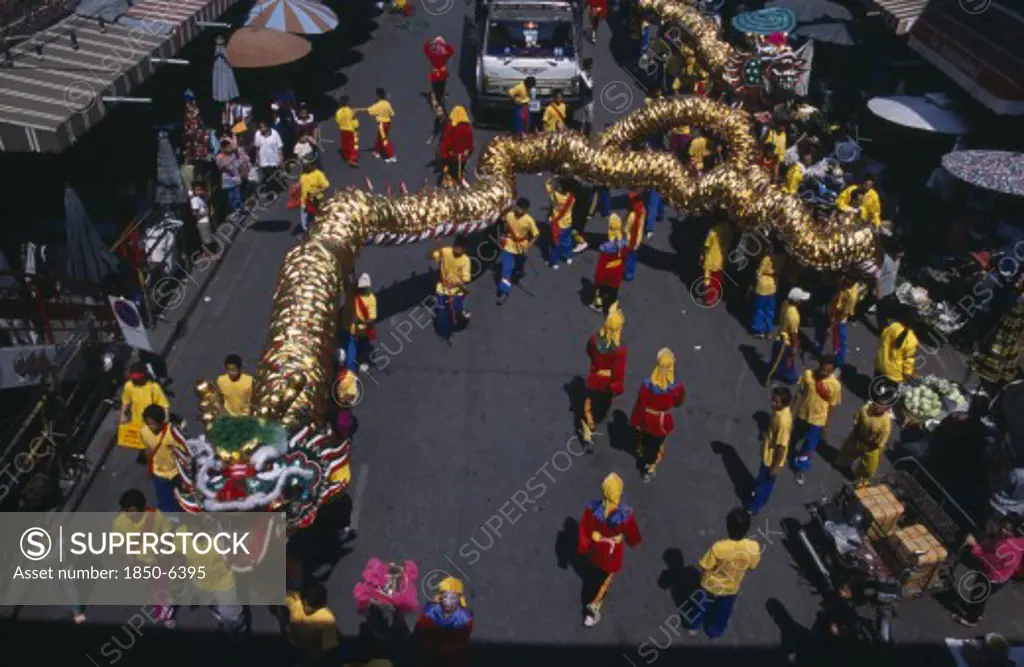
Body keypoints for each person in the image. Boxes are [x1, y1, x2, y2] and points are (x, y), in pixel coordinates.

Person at [577, 473, 642, 627]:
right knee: (603, 583)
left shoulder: (592, 509)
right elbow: (633, 536)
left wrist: (585, 546)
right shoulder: (625, 516)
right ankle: (592, 611)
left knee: (592, 577)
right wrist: (633, 541)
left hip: (594, 551)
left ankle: (591, 602)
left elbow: (584, 530)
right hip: (611, 556)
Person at [685, 508, 761, 638]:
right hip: (730, 588)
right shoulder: (753, 547)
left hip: (710, 586)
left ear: (728, 526)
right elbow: (752, 566)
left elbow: (705, 565)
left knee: (701, 606)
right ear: (747, 528)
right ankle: (715, 631)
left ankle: (693, 627)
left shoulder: (719, 547)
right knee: (723, 612)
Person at [113, 489, 176, 626]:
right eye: (126, 510)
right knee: (155, 586)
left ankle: (166, 614)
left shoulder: (155, 515)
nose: (129, 514)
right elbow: (119, 543)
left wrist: (164, 548)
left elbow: (167, 532)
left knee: (162, 585)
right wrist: (130, 561)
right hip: (140, 562)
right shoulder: (119, 523)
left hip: (159, 558)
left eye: (132, 510)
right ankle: (163, 607)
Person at [178, 516, 248, 635]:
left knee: (233, 616)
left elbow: (236, 556)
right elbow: (179, 556)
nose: (194, 534)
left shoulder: (219, 540)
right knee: (206, 601)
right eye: (190, 531)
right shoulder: (180, 536)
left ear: (203, 526)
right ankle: (220, 612)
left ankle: (238, 631)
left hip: (224, 583)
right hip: (199, 582)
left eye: (196, 530)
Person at [952, 518, 1024, 627]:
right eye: (1001, 526)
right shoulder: (1016, 542)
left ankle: (972, 620)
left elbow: (986, 559)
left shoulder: (1004, 548)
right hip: (1000, 575)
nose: (1002, 530)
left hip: (993, 576)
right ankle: (975, 612)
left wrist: (974, 544)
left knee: (977, 596)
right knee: (981, 595)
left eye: (1006, 529)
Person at [630, 348, 686, 481]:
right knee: (658, 445)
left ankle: (642, 453)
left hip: (646, 418)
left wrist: (636, 420)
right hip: (661, 421)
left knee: (644, 440)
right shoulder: (676, 388)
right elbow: (678, 402)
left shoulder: (646, 385)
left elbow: (640, 403)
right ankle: (650, 467)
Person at [581, 306, 627, 448]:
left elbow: (588, 351)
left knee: (588, 404)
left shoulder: (594, 340)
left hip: (595, 377)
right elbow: (618, 372)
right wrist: (617, 388)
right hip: (608, 383)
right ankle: (596, 420)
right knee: (603, 405)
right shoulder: (619, 350)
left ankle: (588, 428)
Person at [792, 355, 842, 484]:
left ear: (832, 371)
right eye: (823, 369)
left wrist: (826, 426)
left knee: (809, 446)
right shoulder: (808, 375)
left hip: (818, 421)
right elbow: (800, 393)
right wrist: (792, 412)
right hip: (803, 414)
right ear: (819, 365)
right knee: (794, 436)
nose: (824, 372)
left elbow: (832, 407)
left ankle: (800, 469)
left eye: (828, 371)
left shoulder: (835, 386)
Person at [746, 387, 792, 514]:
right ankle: (760, 497)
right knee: (763, 480)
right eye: (773, 399)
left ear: (784, 403)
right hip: (768, 454)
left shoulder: (783, 422)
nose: (772, 403)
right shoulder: (778, 411)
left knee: (764, 484)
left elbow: (781, 448)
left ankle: (754, 507)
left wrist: (775, 467)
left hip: (771, 460)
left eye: (776, 401)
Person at [415, 577, 473, 667]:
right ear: (440, 597)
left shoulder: (465, 618)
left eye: (453, 597)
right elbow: (421, 632)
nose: (448, 602)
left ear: (459, 598)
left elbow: (461, 641)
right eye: (445, 596)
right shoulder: (430, 611)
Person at [140, 405, 185, 513]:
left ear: (161, 421)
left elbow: (183, 452)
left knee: (182, 498)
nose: (150, 427)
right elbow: (148, 449)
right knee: (165, 501)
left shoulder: (172, 433)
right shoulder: (144, 432)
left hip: (176, 472)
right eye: (148, 424)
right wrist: (149, 468)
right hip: (159, 473)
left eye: (152, 424)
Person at [834, 401, 892, 482]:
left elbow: (880, 442)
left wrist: (868, 445)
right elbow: (857, 420)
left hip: (871, 446)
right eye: (878, 403)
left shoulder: (886, 423)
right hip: (858, 437)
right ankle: (843, 463)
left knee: (869, 468)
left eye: (882, 406)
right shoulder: (865, 408)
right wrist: (857, 433)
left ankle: (860, 482)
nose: (878, 406)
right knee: (848, 450)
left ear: (887, 408)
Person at [496, 198, 539, 305]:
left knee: (519, 266)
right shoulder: (509, 215)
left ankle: (516, 277)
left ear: (526, 210)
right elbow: (505, 227)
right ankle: (504, 291)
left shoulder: (529, 220)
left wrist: (528, 247)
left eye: (522, 208)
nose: (519, 210)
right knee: (506, 270)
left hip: (521, 247)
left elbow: (536, 235)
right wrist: (502, 235)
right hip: (509, 246)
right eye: (518, 207)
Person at [284, 582, 340, 663]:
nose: (307, 610)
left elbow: (327, 649)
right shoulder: (327, 619)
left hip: (307, 648)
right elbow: (328, 647)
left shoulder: (295, 602)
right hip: (302, 646)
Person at [430, 235, 472, 341]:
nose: (457, 249)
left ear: (464, 249)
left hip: (456, 290)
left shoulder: (465, 260)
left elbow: (466, 278)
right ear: (453, 245)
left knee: (456, 308)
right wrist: (435, 247)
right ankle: (445, 330)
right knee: (441, 310)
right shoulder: (445, 251)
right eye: (456, 246)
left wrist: (460, 282)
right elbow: (432, 256)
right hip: (442, 288)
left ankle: (461, 312)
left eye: (461, 248)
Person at [119, 362, 169, 450]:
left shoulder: (154, 387)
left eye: (138, 378)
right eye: (134, 379)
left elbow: (164, 406)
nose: (136, 381)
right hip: (138, 425)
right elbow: (126, 403)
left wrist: (165, 423)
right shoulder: (129, 386)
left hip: (153, 425)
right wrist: (123, 416)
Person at [767, 288, 809, 385]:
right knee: (781, 362)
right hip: (784, 342)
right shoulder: (794, 316)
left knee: (785, 362)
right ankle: (769, 378)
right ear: (798, 302)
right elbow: (794, 334)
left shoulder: (785, 304)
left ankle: (791, 377)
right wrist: (795, 347)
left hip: (780, 335)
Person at [817, 276, 860, 369]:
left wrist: (833, 323)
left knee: (839, 341)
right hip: (832, 308)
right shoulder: (843, 283)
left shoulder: (852, 296)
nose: (843, 283)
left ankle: (839, 363)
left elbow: (844, 313)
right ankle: (818, 350)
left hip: (839, 318)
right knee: (823, 332)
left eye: (846, 283)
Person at [590, 214, 629, 313]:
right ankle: (611, 309)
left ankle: (598, 305)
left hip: (607, 273)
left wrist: (597, 279)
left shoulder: (606, 247)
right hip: (618, 271)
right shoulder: (624, 243)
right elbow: (624, 258)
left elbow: (601, 265)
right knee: (613, 291)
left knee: (601, 289)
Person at [346, 273, 378, 373]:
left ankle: (362, 362)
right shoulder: (355, 296)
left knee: (362, 345)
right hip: (353, 328)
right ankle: (353, 365)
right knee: (353, 346)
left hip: (362, 329)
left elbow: (371, 317)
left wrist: (361, 321)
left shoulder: (371, 299)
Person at [875, 316, 918, 386]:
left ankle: (873, 394)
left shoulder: (894, 326)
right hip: (894, 373)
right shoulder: (912, 339)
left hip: (881, 363)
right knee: (889, 392)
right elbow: (909, 360)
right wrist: (908, 373)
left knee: (877, 383)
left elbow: (883, 336)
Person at [701, 219, 733, 307]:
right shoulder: (729, 230)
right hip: (721, 259)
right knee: (717, 279)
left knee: (708, 279)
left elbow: (707, 246)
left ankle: (708, 299)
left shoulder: (713, 232)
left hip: (711, 259)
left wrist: (702, 255)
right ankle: (715, 296)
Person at [439, 106, 473, 184]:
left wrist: (444, 154)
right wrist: (467, 152)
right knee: (460, 173)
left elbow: (446, 141)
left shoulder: (451, 127)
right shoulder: (468, 128)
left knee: (449, 174)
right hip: (462, 157)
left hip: (451, 157)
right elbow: (469, 144)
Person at [546, 179, 575, 269]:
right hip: (567, 223)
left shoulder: (555, 195)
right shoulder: (572, 198)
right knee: (568, 241)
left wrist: (551, 180)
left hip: (557, 224)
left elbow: (546, 186)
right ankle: (568, 257)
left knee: (556, 244)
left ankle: (554, 262)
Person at [750, 252, 779, 338]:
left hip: (763, 286)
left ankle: (759, 330)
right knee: (770, 309)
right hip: (773, 286)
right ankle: (768, 330)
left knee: (760, 308)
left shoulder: (767, 258)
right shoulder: (781, 258)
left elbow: (759, 273)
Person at [333, 349, 359, 441]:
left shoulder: (348, 376)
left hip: (342, 409)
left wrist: (341, 400)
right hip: (332, 408)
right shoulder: (331, 373)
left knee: (342, 426)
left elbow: (352, 395)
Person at [215, 134, 244, 213]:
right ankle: (234, 210)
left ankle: (239, 210)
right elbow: (221, 168)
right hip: (228, 180)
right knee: (231, 197)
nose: (227, 148)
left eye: (228, 145)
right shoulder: (219, 157)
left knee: (237, 195)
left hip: (236, 178)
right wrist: (229, 172)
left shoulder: (234, 154)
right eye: (224, 146)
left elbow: (239, 162)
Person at [298, 161, 330, 233]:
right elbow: (301, 185)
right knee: (305, 221)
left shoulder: (318, 174)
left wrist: (317, 192)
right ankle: (307, 233)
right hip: (305, 201)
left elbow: (326, 185)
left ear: (313, 165)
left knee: (319, 217)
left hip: (316, 201)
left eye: (307, 165)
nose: (305, 166)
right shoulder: (303, 175)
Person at [367, 88, 397, 163]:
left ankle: (391, 156)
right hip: (388, 123)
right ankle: (377, 151)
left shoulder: (377, 105)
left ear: (378, 95)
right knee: (379, 137)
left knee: (384, 140)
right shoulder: (387, 103)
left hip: (381, 124)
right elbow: (392, 114)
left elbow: (370, 111)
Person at [424, 36, 455, 101]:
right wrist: (445, 44)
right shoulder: (444, 53)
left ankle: (435, 96)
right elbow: (451, 51)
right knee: (442, 84)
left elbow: (425, 48)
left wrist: (430, 43)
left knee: (434, 85)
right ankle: (442, 94)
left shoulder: (431, 54)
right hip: (443, 73)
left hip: (434, 73)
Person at [253, 120, 284, 185]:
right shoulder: (257, 134)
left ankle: (276, 191)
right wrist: (257, 159)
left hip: (274, 161)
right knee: (267, 179)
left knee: (275, 179)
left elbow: (280, 147)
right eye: (260, 127)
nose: (262, 129)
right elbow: (257, 148)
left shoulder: (275, 133)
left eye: (264, 127)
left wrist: (281, 159)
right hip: (264, 161)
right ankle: (270, 192)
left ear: (268, 126)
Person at [623, 192, 645, 282]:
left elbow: (626, 229)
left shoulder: (632, 215)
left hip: (630, 241)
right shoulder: (642, 210)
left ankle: (628, 274)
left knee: (628, 257)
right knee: (633, 257)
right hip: (637, 240)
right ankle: (631, 272)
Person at [189, 181, 214, 255]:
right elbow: (195, 212)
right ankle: (209, 253)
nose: (199, 191)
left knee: (207, 237)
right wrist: (201, 216)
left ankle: (206, 252)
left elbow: (208, 198)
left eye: (201, 189)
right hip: (202, 221)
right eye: (197, 190)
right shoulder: (195, 200)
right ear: (194, 191)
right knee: (206, 239)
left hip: (206, 219)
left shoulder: (202, 198)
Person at [335, 97, 361, 167]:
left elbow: (337, 121)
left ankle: (346, 156)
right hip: (350, 130)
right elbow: (354, 119)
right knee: (352, 144)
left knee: (344, 144)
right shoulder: (350, 110)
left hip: (343, 130)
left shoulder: (338, 112)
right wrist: (357, 126)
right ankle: (353, 158)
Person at [578, 58, 595, 136]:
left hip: (588, 99)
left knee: (587, 116)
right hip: (585, 99)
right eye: (590, 66)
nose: (591, 68)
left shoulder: (586, 74)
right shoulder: (583, 75)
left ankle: (586, 132)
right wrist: (591, 83)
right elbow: (589, 85)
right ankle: (586, 133)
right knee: (587, 116)